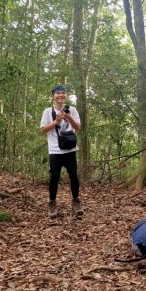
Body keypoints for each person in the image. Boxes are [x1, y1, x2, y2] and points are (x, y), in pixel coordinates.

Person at [40, 84, 82, 220]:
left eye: (63, 93)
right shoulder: (47, 112)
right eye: (58, 93)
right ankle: (52, 203)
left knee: (74, 176)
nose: (60, 95)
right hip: (55, 151)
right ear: (53, 95)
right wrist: (56, 121)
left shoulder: (72, 110)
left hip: (70, 150)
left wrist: (69, 117)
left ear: (66, 95)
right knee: (54, 177)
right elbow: (43, 130)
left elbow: (78, 127)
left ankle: (76, 201)